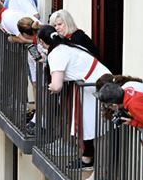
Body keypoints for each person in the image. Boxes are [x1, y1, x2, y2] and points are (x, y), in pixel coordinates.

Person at [38, 25, 111, 172]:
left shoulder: (57, 54)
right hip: (96, 85)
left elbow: (57, 85)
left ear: (42, 42)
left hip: (94, 88)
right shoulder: (65, 46)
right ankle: (93, 164)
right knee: (94, 129)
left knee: (96, 130)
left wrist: (50, 86)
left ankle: (101, 173)